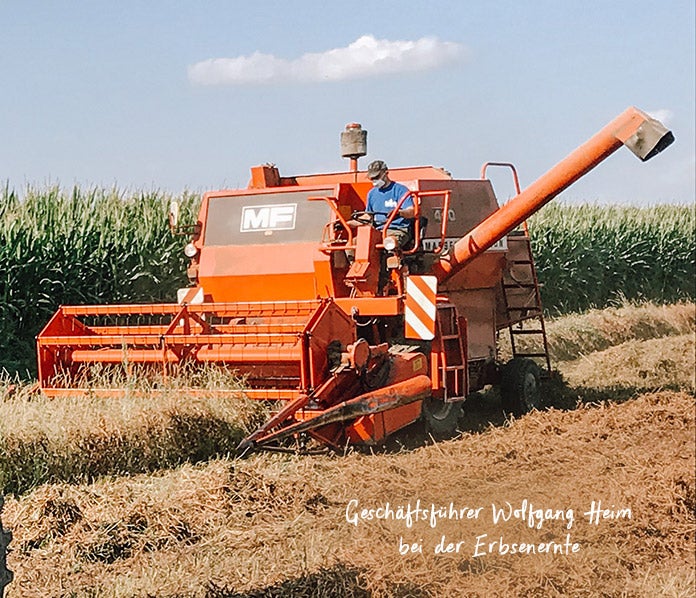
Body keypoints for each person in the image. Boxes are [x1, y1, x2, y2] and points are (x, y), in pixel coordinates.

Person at [365, 160, 415, 248]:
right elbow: (368, 216)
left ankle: (394, 260)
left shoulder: (400, 190)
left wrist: (399, 213)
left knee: (390, 242)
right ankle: (353, 261)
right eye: (372, 178)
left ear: (386, 173)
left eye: (377, 177)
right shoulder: (371, 194)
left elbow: (412, 211)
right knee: (354, 243)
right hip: (378, 230)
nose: (374, 180)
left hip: (397, 229)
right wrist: (347, 223)